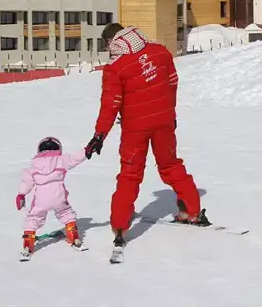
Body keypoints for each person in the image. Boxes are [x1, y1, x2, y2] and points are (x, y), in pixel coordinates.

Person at [85, 23, 208, 251]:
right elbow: (172, 83)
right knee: (171, 165)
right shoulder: (160, 51)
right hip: (164, 122)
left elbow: (110, 105)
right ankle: (191, 210)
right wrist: (170, 114)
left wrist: (99, 135)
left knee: (130, 175)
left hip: (135, 129)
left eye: (107, 46)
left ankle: (120, 226)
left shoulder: (115, 68)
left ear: (112, 41)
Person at [16, 136, 87, 260]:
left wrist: (21, 194)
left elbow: (27, 182)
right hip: (59, 196)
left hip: (41, 199)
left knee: (34, 217)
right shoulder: (61, 160)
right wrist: (88, 150)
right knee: (65, 212)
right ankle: (73, 236)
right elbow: (76, 158)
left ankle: (28, 242)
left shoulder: (33, 166)